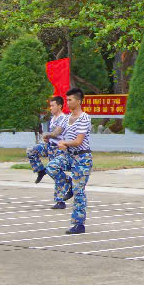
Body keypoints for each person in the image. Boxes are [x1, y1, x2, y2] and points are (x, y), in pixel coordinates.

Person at [48, 88, 92, 234]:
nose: (67, 102)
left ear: (78, 101)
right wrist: (49, 136)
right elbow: (58, 132)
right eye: (66, 100)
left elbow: (78, 141)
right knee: (51, 167)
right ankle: (69, 184)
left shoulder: (84, 118)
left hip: (82, 158)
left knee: (79, 192)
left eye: (70, 100)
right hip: (69, 156)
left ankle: (79, 224)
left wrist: (65, 143)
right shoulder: (66, 118)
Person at [28, 96, 68, 186]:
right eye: (50, 106)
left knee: (53, 170)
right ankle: (40, 171)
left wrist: (47, 135)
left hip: (58, 148)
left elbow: (56, 133)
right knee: (31, 150)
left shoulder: (63, 118)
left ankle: (67, 182)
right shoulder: (53, 118)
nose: (50, 108)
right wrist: (47, 138)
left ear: (59, 106)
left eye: (53, 106)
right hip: (50, 146)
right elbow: (51, 135)